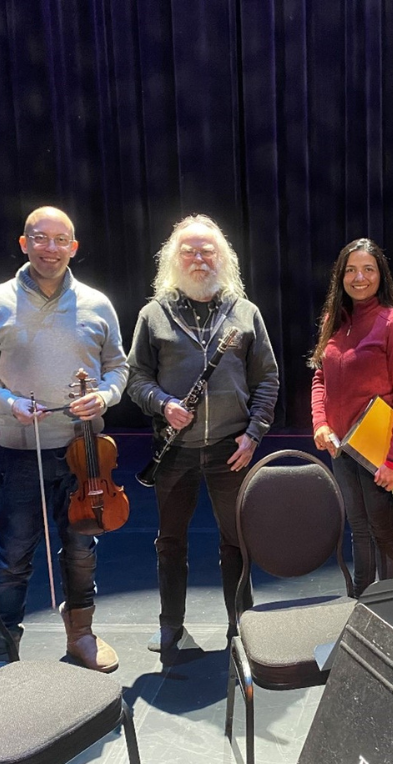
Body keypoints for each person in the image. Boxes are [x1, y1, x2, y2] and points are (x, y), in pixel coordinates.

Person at [0, 206, 129, 673]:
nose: (50, 248)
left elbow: (119, 367)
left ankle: (82, 634)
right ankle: (3, 649)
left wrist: (106, 395)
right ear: (24, 243)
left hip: (86, 452)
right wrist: (8, 403)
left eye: (61, 240)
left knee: (81, 547)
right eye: (41, 238)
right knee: (15, 555)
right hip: (21, 452)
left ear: (74, 247)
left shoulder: (98, 303)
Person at [127, 214, 279, 652]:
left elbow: (268, 378)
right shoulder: (153, 314)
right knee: (170, 541)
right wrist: (163, 404)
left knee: (236, 540)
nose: (198, 258)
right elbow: (137, 378)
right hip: (174, 451)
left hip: (231, 447)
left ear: (222, 257)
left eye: (206, 250)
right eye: (189, 251)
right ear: (174, 259)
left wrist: (254, 434)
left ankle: (242, 625)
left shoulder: (245, 313)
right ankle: (170, 624)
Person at [310, 239, 393, 598]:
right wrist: (320, 423)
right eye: (351, 270)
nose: (359, 277)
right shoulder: (332, 320)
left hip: (378, 450)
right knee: (357, 526)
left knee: (383, 529)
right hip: (341, 447)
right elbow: (320, 376)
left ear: (380, 274)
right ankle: (361, 600)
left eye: (368, 269)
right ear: (340, 276)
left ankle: (388, 607)